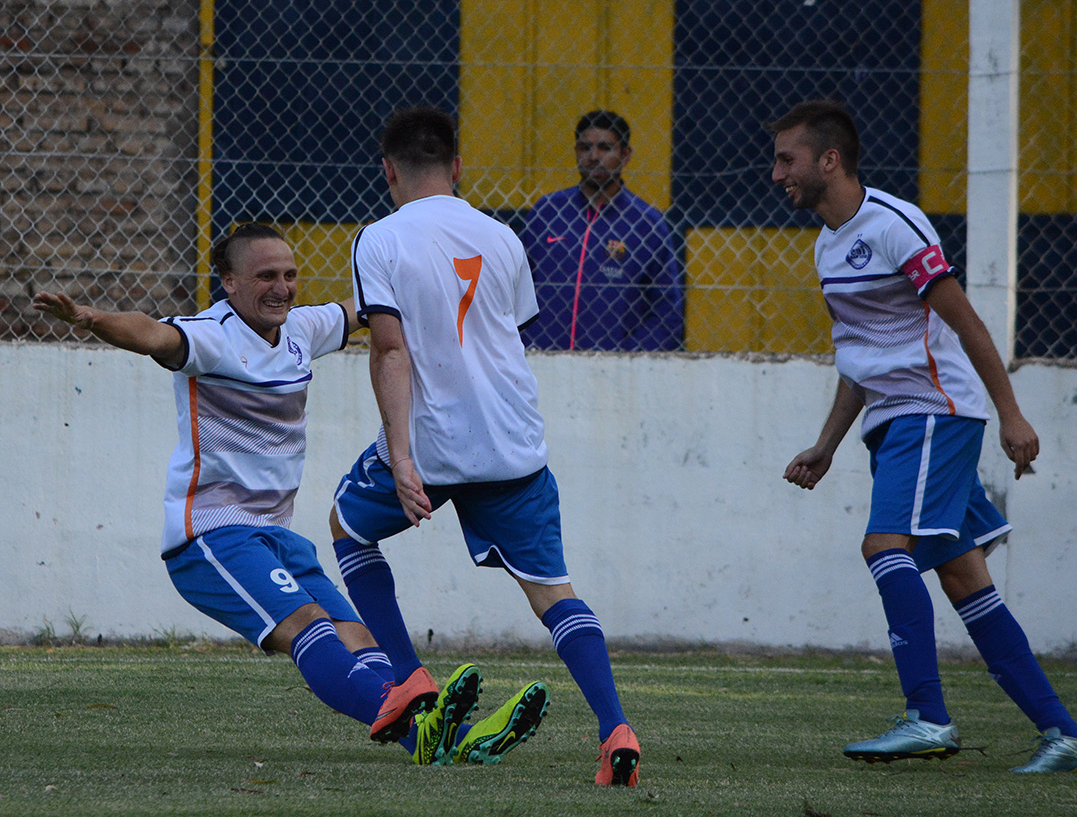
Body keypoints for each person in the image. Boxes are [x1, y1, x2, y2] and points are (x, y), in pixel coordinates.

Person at [32, 223, 480, 765]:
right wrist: (92, 319)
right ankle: (415, 723)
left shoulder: (300, 329)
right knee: (309, 629)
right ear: (230, 283)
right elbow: (151, 334)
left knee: (357, 635)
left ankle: (437, 743)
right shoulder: (212, 337)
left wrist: (435, 278)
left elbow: (367, 307)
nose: (283, 287)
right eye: (266, 275)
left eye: (290, 275)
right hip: (212, 536)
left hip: (275, 536)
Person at [771, 100, 1077, 773]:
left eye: (787, 159)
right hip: (893, 422)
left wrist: (1010, 413)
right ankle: (1065, 737)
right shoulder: (826, 245)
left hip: (934, 412)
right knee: (962, 575)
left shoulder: (894, 225)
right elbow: (857, 359)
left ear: (828, 160)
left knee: (882, 545)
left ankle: (927, 716)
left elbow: (965, 321)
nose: (777, 172)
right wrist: (826, 444)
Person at [328, 105, 641, 786]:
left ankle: (408, 676)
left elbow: (388, 347)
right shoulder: (502, 236)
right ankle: (615, 725)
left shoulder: (377, 238)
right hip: (512, 439)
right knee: (552, 592)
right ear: (458, 167)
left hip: (432, 438)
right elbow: (506, 333)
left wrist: (402, 455)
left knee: (347, 528)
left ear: (388, 170)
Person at [519, 109, 684, 351]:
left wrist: (629, 358)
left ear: (625, 155)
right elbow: (513, 288)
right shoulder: (546, 213)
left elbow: (667, 311)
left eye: (606, 148)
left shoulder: (647, 223)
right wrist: (526, 343)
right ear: (576, 151)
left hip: (615, 374)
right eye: (585, 148)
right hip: (540, 364)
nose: (594, 156)